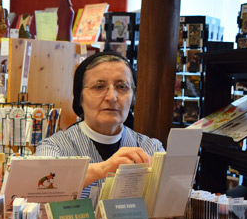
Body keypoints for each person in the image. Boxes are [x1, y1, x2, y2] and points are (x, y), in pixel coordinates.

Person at [36, 51, 164, 198]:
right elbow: (39, 185)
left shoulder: (150, 149)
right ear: (79, 98)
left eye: (122, 86)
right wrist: (104, 168)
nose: (112, 97)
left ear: (133, 98)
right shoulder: (55, 147)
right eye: (99, 86)